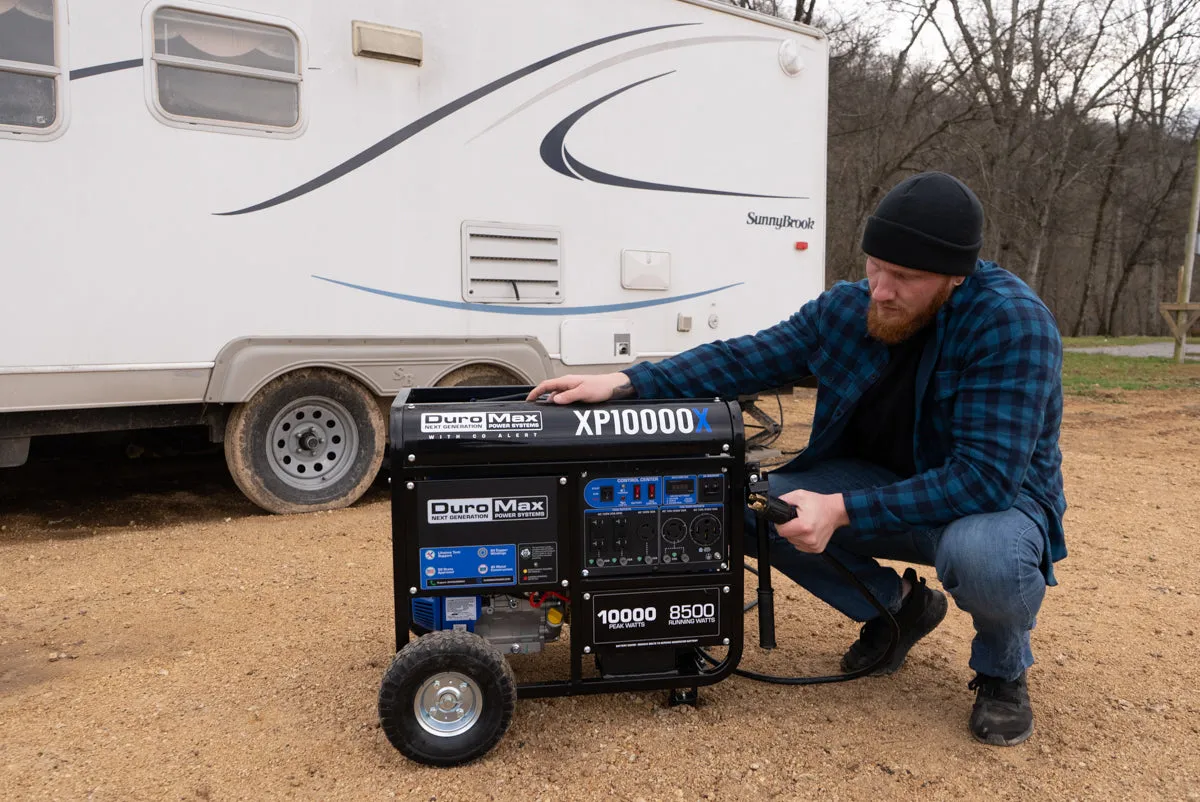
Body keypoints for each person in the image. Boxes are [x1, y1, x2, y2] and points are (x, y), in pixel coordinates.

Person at [526, 172, 1066, 747]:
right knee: (752, 504)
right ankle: (898, 609)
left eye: (905, 277)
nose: (881, 289)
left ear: (956, 276)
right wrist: (627, 383)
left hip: (991, 506)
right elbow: (744, 359)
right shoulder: (845, 309)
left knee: (983, 556)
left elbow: (983, 478)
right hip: (881, 483)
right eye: (875, 266)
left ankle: (1002, 672)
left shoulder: (1010, 324)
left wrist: (840, 509)